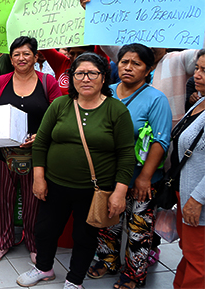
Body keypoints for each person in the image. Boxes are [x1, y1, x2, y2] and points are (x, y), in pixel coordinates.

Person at [16, 53, 134, 289]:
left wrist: (119, 192)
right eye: (79, 73)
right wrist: (38, 177)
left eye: (92, 73)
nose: (85, 78)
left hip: (93, 190)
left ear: (103, 78)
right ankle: (44, 268)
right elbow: (41, 142)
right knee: (45, 230)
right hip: (54, 184)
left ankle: (74, 280)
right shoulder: (61, 104)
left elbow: (126, 154)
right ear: (72, 78)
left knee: (84, 236)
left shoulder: (116, 111)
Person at [86, 43, 171, 288]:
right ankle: (107, 260)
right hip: (107, 176)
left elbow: (160, 141)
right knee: (107, 222)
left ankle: (134, 274)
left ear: (148, 69)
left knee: (138, 230)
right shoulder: (106, 92)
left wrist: (144, 177)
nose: (128, 67)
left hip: (140, 179)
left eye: (136, 63)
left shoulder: (156, 99)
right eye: (124, 62)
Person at [0, 36, 62, 264]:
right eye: (16, 54)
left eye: (26, 53)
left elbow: (60, 116)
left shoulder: (47, 82)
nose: (21, 58)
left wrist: (39, 137)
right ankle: (1, 242)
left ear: (35, 56)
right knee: (2, 199)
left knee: (34, 202)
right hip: (3, 155)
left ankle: (34, 243)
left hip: (37, 156)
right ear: (11, 59)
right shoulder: (1, 82)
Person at [172, 48, 205, 289]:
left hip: (198, 199)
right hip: (185, 193)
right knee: (189, 252)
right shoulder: (200, 100)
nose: (197, 75)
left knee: (198, 261)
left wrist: (197, 198)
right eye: (197, 68)